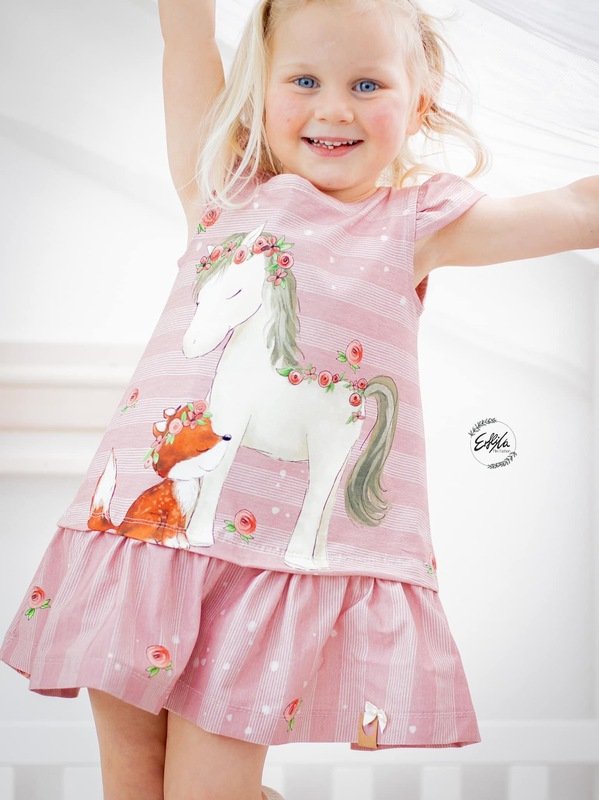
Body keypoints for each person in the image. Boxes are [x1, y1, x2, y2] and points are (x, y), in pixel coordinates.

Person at [1, 0, 597, 798]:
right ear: (261, 94)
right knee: (132, 785)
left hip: (269, 568)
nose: (333, 108)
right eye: (305, 81)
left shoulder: (412, 224)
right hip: (146, 534)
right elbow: (186, 38)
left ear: (418, 104)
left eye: (366, 84)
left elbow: (575, 210)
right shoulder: (222, 189)